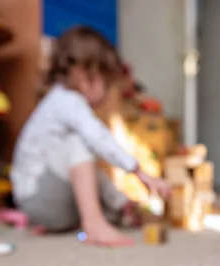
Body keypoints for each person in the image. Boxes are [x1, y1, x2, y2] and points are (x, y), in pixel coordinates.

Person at [10, 26, 171, 247]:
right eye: (106, 84)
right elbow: (99, 136)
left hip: (53, 201)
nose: (107, 95)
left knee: (88, 165)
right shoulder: (65, 100)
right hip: (38, 199)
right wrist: (140, 172)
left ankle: (122, 208)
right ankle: (94, 224)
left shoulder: (65, 102)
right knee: (78, 143)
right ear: (82, 75)